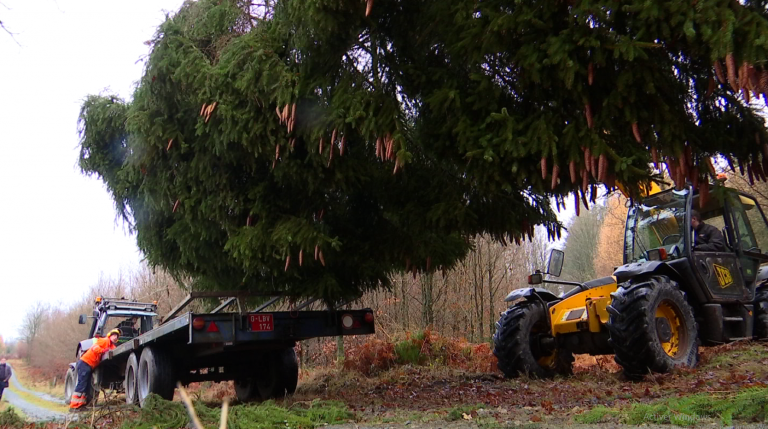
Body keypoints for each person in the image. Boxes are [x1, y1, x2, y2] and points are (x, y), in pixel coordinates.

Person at [69, 329, 119, 411]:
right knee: (82, 385)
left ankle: (81, 405)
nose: (115, 337)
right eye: (114, 335)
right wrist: (102, 351)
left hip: (89, 365)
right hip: (85, 363)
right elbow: (95, 348)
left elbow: (114, 349)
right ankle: (74, 406)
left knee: (86, 385)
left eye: (116, 336)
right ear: (110, 336)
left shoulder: (110, 345)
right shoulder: (104, 340)